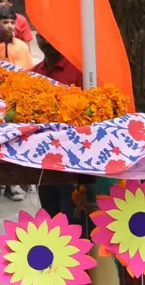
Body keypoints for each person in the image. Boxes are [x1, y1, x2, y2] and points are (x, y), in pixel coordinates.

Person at [31, 36, 86, 230]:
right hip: (44, 164)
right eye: (41, 37)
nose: (46, 41)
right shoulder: (33, 74)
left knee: (73, 226)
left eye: (49, 36)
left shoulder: (79, 71)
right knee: (50, 224)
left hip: (73, 164)